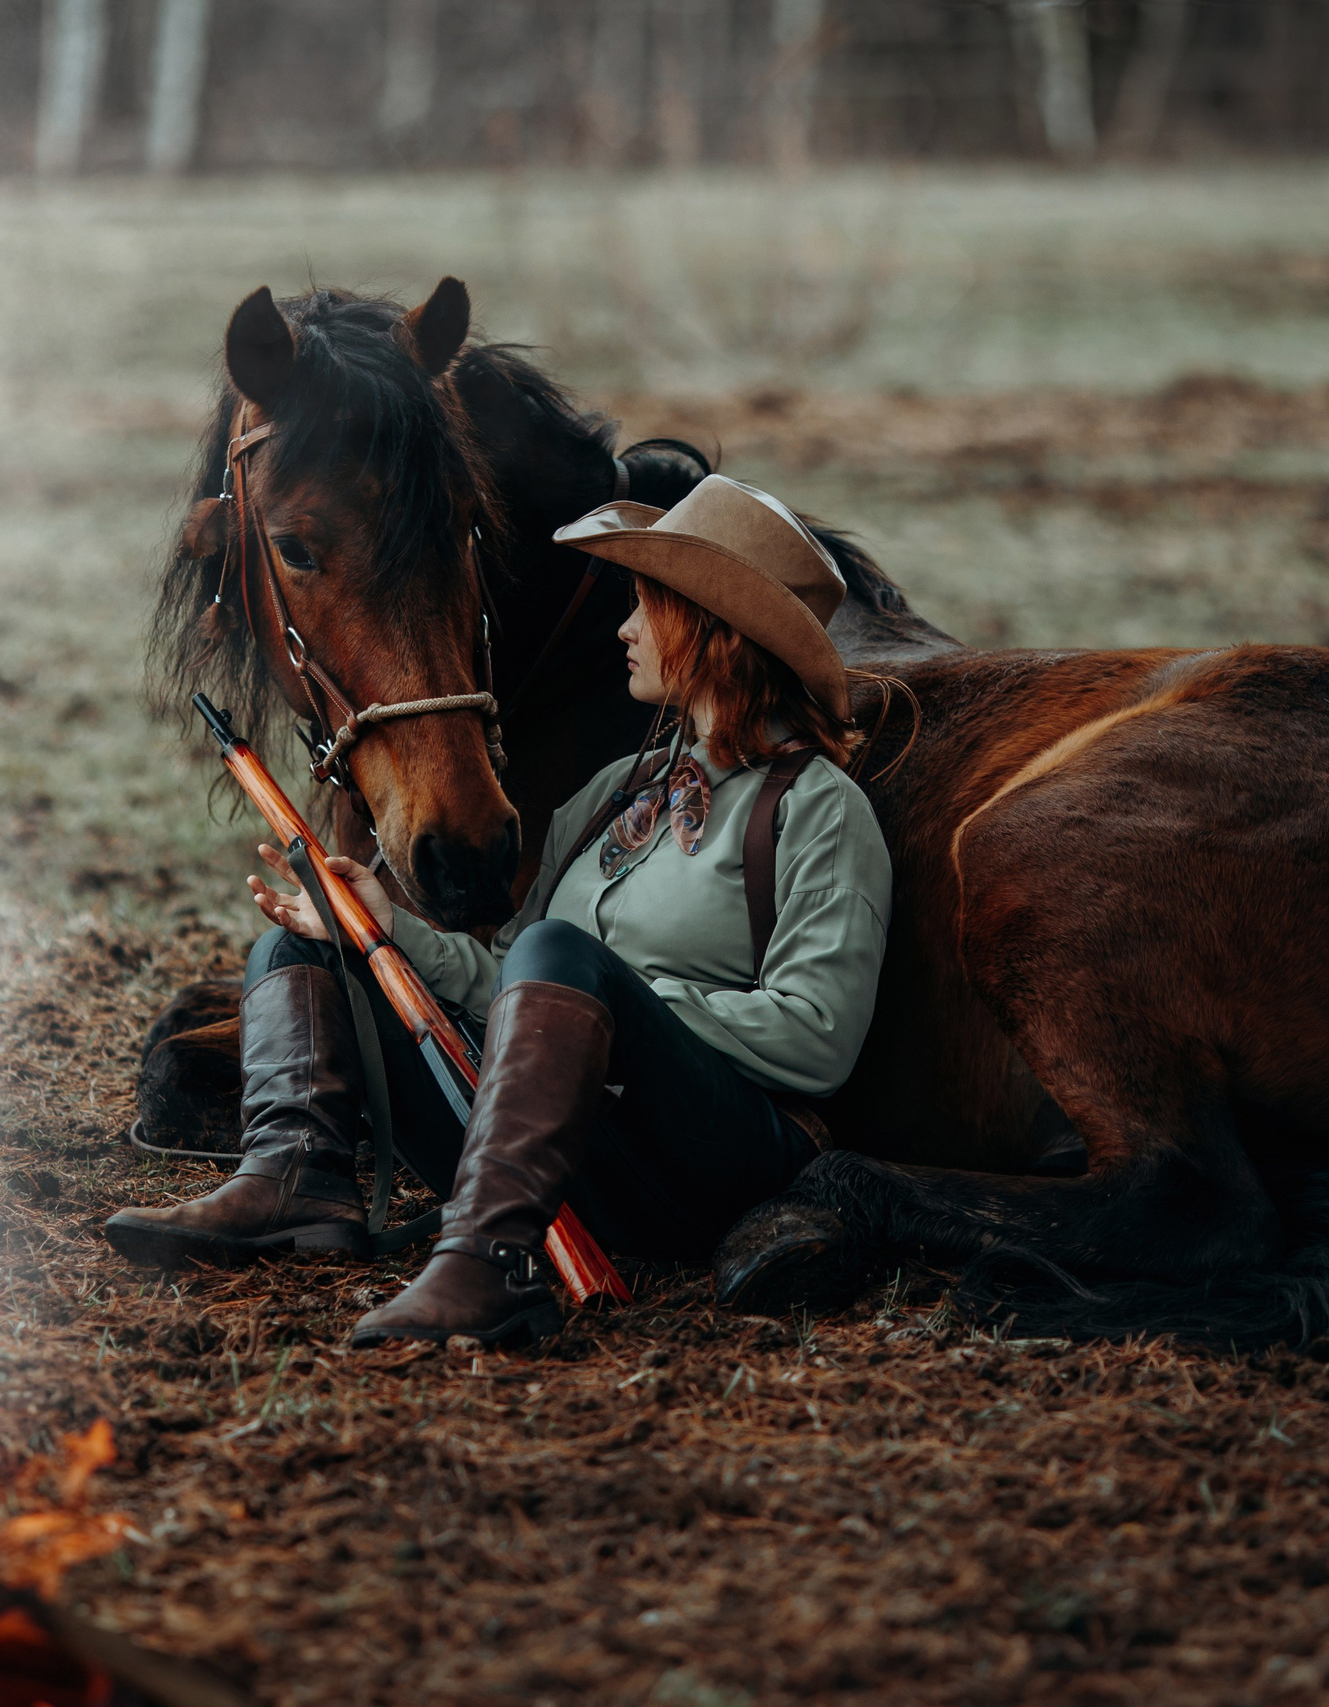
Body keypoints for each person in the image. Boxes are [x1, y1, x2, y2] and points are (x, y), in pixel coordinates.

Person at [105, 476, 896, 1349]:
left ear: (715, 631)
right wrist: (387, 930)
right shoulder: (610, 793)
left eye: (649, 607)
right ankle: (295, 1182)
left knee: (560, 954)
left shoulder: (821, 810)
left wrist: (616, 1009)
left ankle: (490, 1261)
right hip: (560, 1149)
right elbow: (514, 981)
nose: (625, 629)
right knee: (310, 948)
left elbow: (819, 1038)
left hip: (708, 1170)